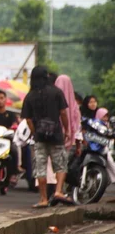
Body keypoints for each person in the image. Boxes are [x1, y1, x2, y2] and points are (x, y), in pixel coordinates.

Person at [22, 66, 73, 208]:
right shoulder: (56, 92)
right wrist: (67, 130)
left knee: (41, 167)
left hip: (39, 137)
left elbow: (28, 119)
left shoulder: (30, 95)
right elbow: (63, 113)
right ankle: (58, 191)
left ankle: (43, 199)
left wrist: (35, 132)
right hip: (56, 135)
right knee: (60, 164)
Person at [0, 90, 21, 185]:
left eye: (1, 98)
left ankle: (14, 173)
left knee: (14, 150)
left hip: (7, 139)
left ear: (5, 100)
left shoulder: (11, 114)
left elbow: (15, 124)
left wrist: (14, 127)